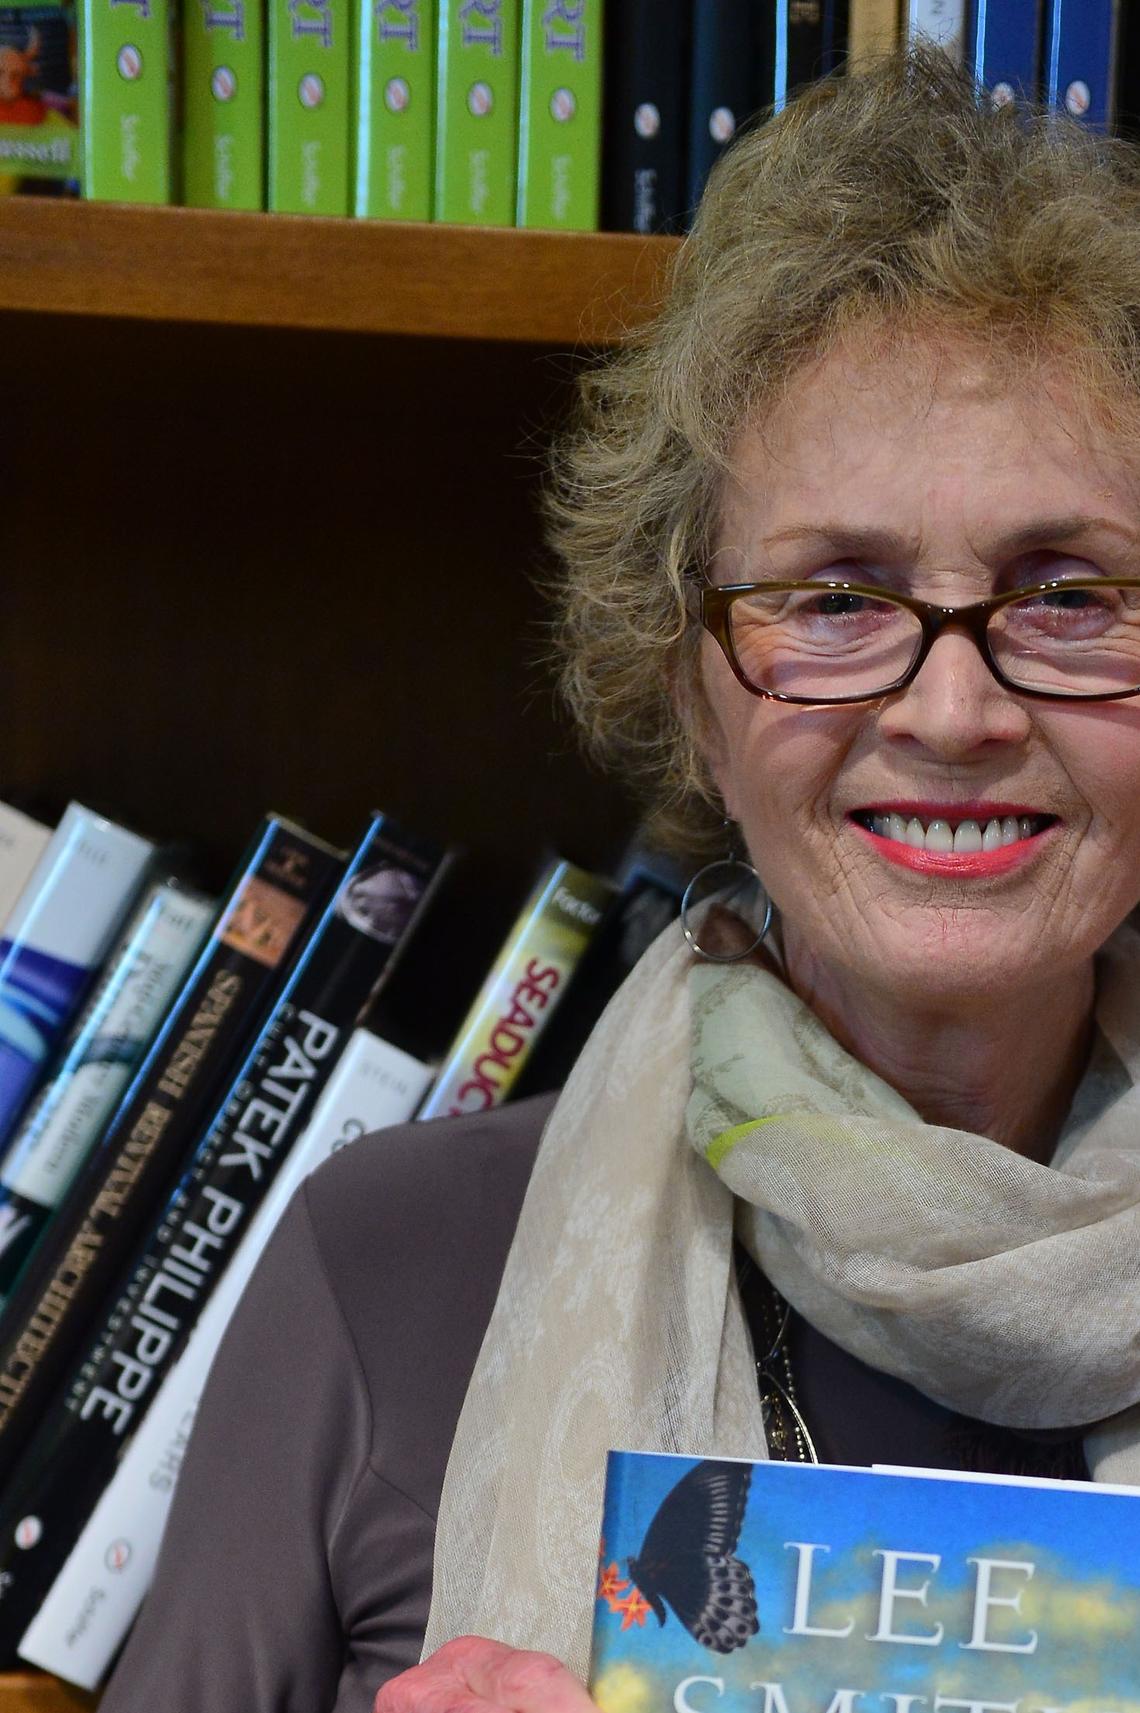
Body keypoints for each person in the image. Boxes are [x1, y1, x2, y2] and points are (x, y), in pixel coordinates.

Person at [101, 48, 1140, 1713]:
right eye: (835, 598)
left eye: (1067, 592)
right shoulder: (383, 1268)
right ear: (690, 696)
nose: (955, 708)